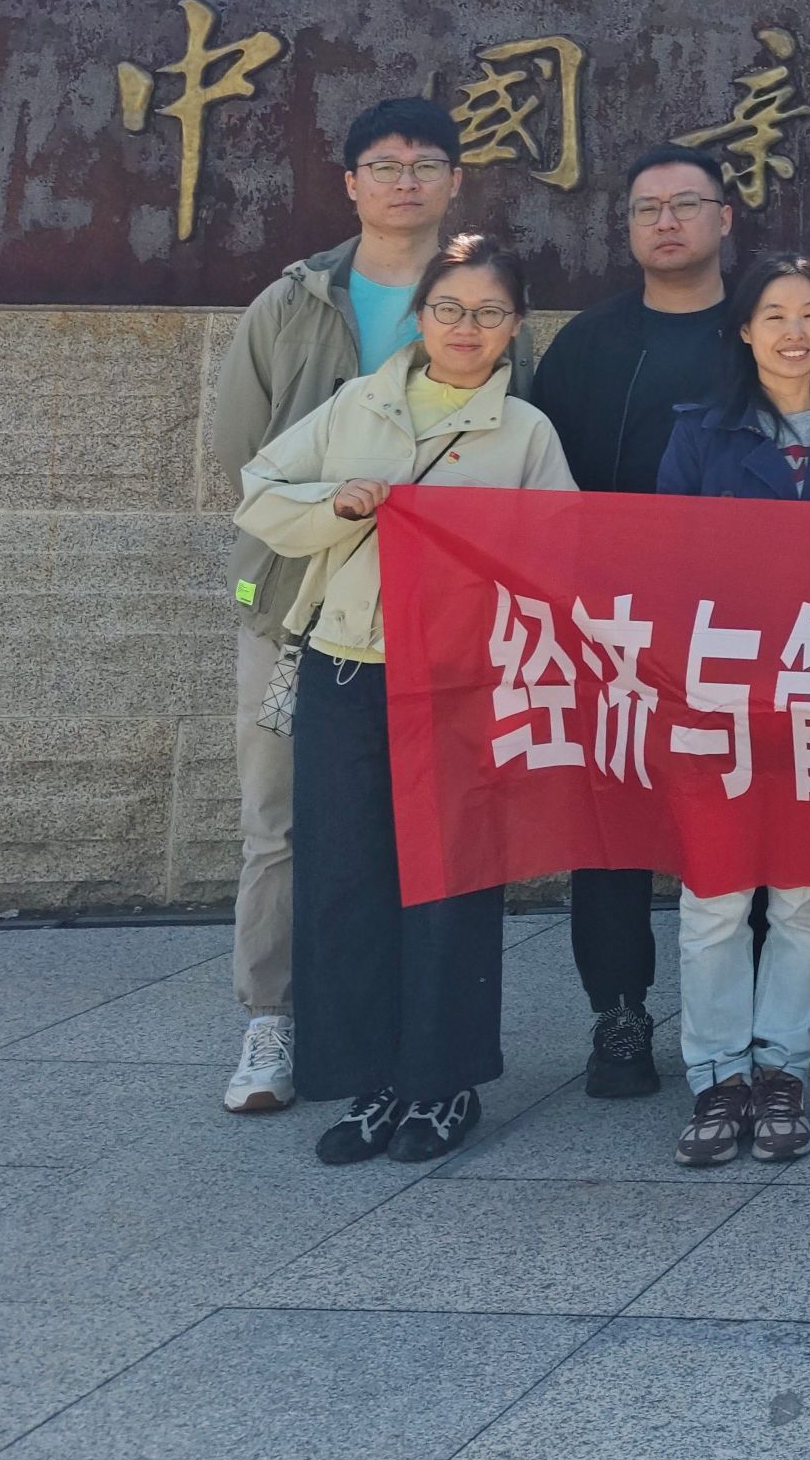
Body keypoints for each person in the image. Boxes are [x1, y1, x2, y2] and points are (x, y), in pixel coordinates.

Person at [235, 235, 570, 1165]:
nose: (468, 328)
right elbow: (261, 492)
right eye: (450, 309)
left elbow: (560, 558)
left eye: (490, 313)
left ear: (515, 326)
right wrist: (334, 506)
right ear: (421, 318)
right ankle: (370, 1079)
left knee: (449, 885)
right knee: (345, 882)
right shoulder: (359, 404)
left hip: (459, 684)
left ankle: (443, 1081)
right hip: (346, 670)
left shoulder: (526, 434)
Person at [198, 95, 469, 1121]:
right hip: (296, 601)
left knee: (415, 822)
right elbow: (241, 451)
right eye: (384, 165)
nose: (406, 181)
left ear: (454, 183)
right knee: (279, 820)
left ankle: (387, 1021)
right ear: (352, 183)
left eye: (426, 163)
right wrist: (332, 514)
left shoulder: (479, 299)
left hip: (431, 614)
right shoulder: (292, 302)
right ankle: (270, 1016)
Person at [654, 255, 810, 1165]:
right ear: (743, 330)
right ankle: (717, 1075)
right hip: (720, 690)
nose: (793, 332)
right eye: (773, 315)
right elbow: (664, 563)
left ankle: (782, 1069)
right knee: (715, 895)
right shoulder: (699, 432)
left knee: (805, 894)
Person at [524, 142, 741, 1103]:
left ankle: (739, 1027)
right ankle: (618, 1014)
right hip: (608, 629)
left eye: (686, 204)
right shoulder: (588, 344)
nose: (666, 222)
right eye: (647, 208)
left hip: (734, 629)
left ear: (723, 219)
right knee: (609, 833)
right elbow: (538, 490)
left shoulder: (766, 329)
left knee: (734, 824)